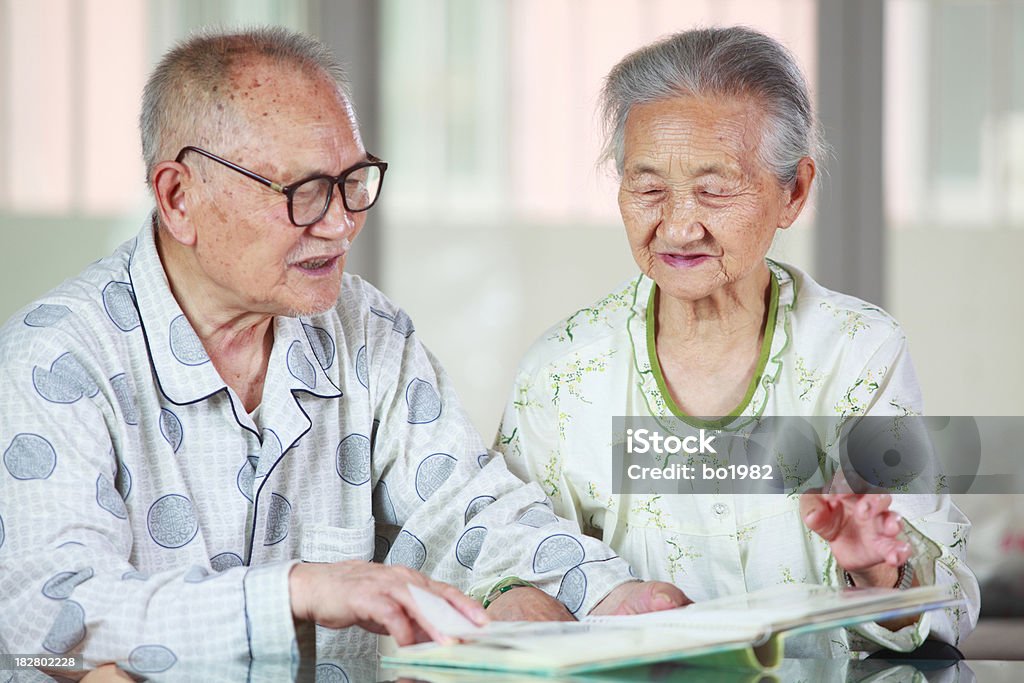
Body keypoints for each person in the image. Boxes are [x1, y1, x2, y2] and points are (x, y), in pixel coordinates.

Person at [0, 27, 684, 673]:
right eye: (303, 192)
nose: (341, 222)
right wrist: (295, 591)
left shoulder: (366, 327)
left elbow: (467, 508)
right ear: (179, 198)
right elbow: (53, 614)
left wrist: (610, 597)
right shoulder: (56, 359)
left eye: (354, 181)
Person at [494, 26, 979, 656]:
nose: (677, 225)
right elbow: (503, 561)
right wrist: (515, 594)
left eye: (714, 190)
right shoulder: (561, 370)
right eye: (647, 189)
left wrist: (877, 572)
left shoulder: (856, 351)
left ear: (794, 191)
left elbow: (944, 600)